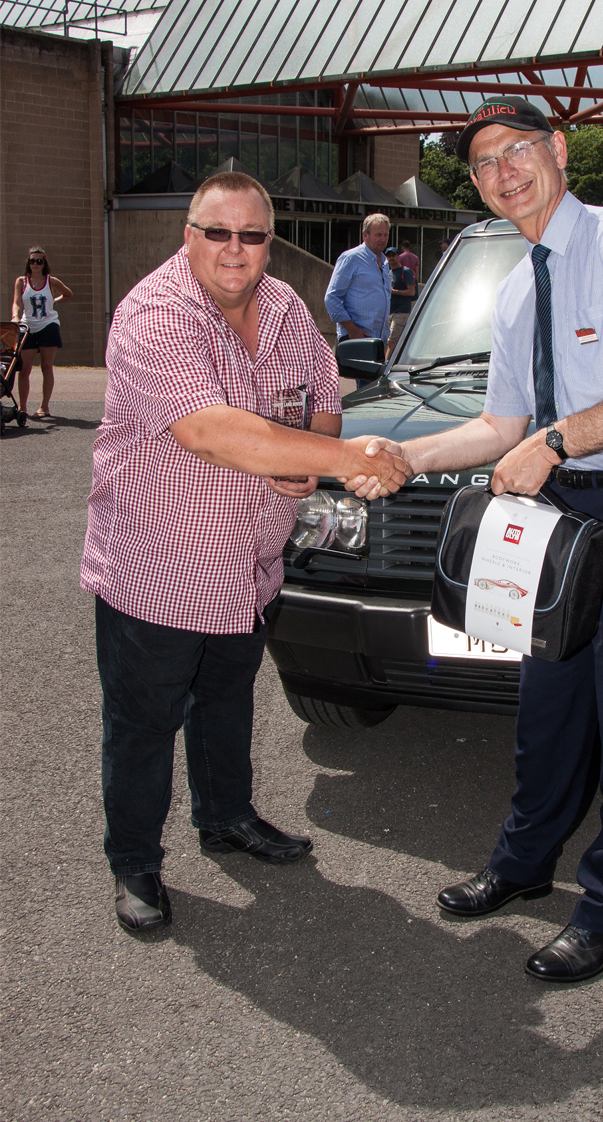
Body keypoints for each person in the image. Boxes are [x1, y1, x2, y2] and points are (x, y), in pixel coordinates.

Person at [354, 97, 603, 983]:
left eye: (517, 150)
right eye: (482, 164)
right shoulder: (517, 288)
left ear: (558, 149)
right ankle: (521, 865)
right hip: (561, 519)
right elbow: (497, 423)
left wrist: (552, 442)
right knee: (548, 704)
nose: (502, 172)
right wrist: (400, 455)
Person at [81, 172, 409, 933]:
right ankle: (134, 860)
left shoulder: (289, 306)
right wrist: (343, 456)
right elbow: (208, 429)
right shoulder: (155, 312)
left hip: (248, 561)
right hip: (156, 563)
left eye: (252, 234)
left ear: (268, 239)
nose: (236, 249)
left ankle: (225, 815)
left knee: (226, 698)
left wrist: (316, 450)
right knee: (143, 718)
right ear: (188, 235)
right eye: (218, 232)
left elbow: (323, 397)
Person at [11, 247, 73, 418]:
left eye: (39, 261)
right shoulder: (22, 281)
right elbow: (16, 302)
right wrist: (15, 316)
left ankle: (44, 407)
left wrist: (55, 301)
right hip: (28, 326)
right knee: (24, 368)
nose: (36, 264)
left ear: (44, 263)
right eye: (32, 261)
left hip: (48, 325)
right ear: (28, 263)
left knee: (46, 367)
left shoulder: (51, 281)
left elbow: (68, 294)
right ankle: (22, 409)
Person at [324, 213, 392, 346]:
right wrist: (352, 330)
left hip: (378, 340)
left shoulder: (384, 262)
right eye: (378, 235)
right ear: (365, 235)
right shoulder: (351, 258)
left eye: (386, 235)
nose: (383, 239)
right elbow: (332, 298)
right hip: (355, 339)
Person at [385, 247, 415, 359]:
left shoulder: (405, 271)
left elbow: (411, 292)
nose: (391, 258)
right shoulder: (388, 273)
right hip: (389, 312)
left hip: (401, 312)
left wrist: (394, 291)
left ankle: (385, 366)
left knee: (391, 341)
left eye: (394, 255)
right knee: (388, 341)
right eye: (389, 255)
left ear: (398, 256)